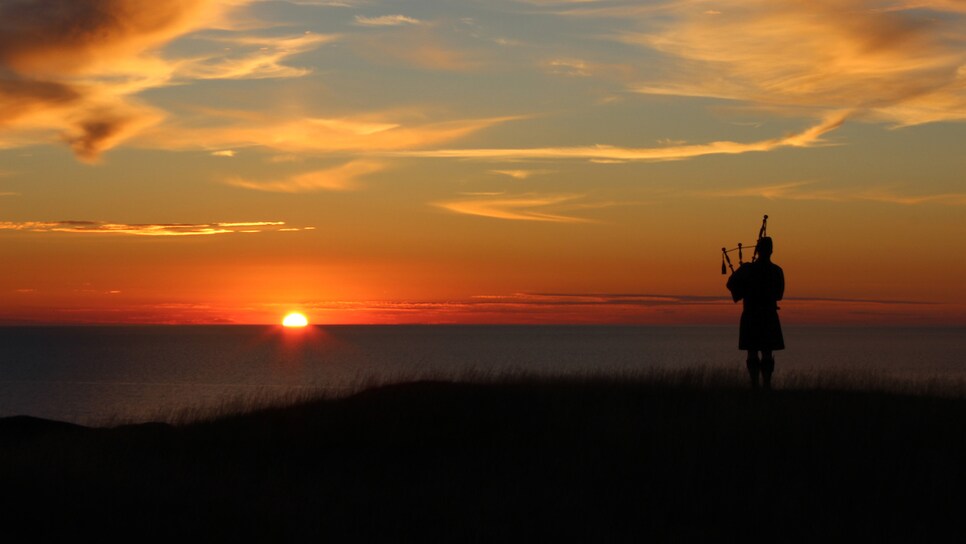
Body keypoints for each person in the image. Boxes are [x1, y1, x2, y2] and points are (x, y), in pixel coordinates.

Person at [726, 236, 784, 389]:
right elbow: (779, 295)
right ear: (771, 251)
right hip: (768, 316)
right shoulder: (777, 271)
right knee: (766, 352)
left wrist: (744, 289)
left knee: (753, 352)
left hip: (751, 315)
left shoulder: (747, 269)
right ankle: (766, 385)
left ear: (757, 250)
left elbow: (730, 284)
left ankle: (755, 385)